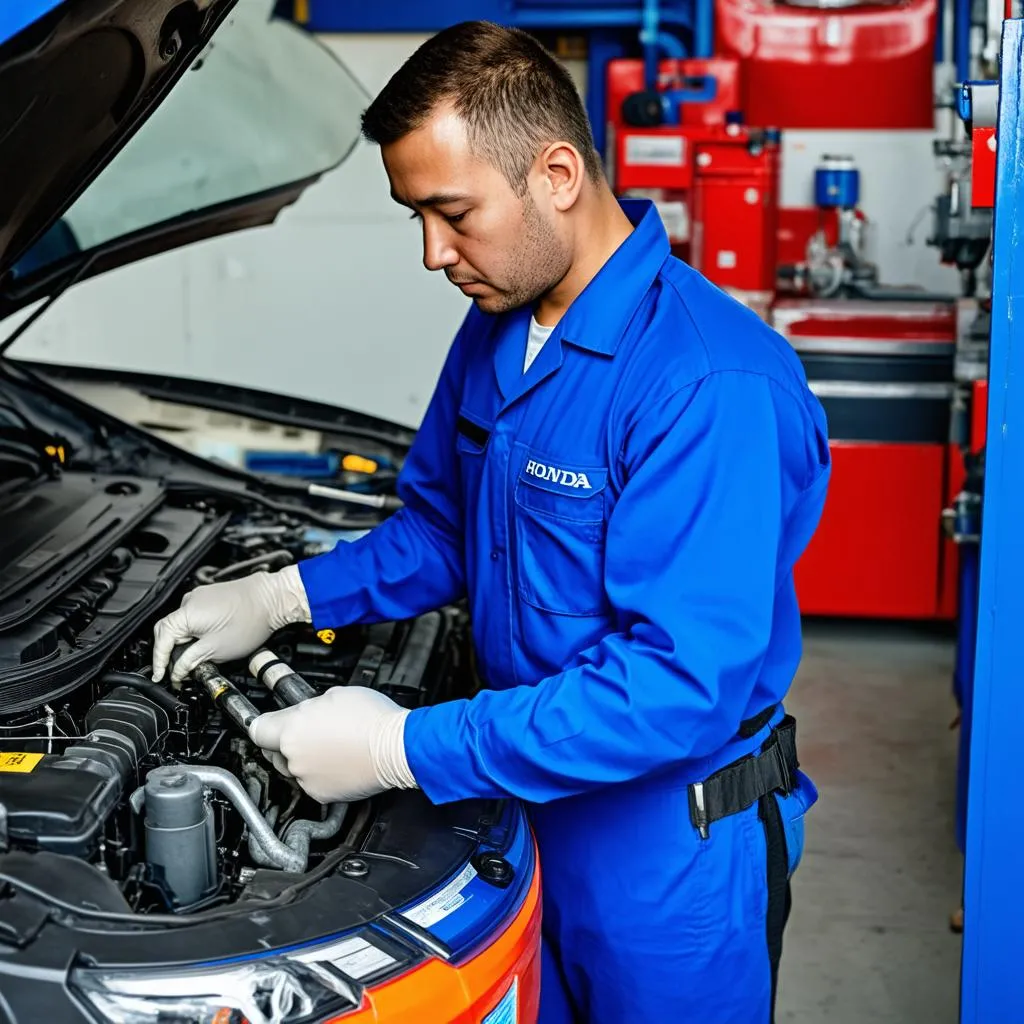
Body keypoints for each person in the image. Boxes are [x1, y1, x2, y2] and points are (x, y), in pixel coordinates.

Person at [152, 20, 830, 1023]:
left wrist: (402, 749)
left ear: (556, 172)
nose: (432, 253)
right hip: (514, 799)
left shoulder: (707, 382)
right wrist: (282, 595)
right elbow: (444, 530)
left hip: (665, 852)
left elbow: (677, 686)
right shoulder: (500, 329)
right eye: (412, 216)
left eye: (451, 212)